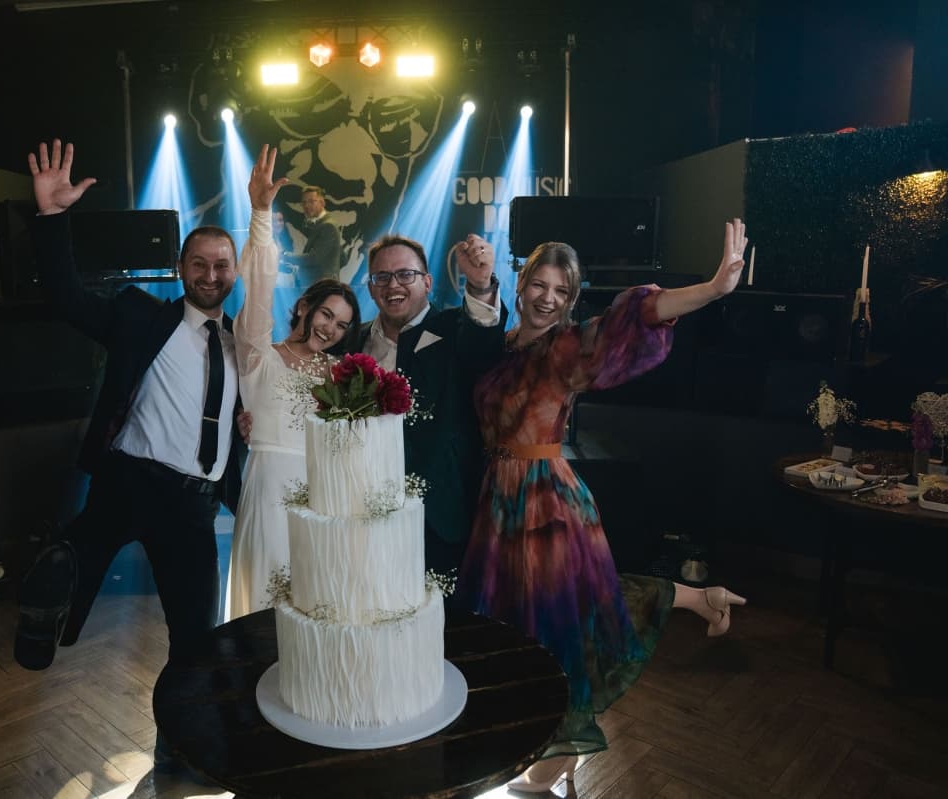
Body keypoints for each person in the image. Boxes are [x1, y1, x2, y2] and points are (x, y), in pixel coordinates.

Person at [461, 221, 751, 793]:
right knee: (554, 610)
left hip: (544, 498)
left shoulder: (566, 348)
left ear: (572, 299)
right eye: (539, 284)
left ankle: (559, 754)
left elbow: (635, 315)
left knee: (558, 626)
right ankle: (700, 598)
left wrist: (713, 289)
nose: (548, 298)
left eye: (561, 291)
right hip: (500, 497)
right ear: (521, 283)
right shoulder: (505, 342)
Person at [15, 139, 244, 671]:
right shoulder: (140, 317)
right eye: (199, 263)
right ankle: (41, 621)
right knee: (69, 564)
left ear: (236, 271)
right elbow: (67, 299)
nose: (210, 275)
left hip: (194, 504)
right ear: (181, 267)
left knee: (196, 639)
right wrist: (51, 218)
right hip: (129, 480)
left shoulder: (245, 345)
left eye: (221, 265)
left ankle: (185, 720)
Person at [227, 145, 361, 619]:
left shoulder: (340, 376)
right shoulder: (259, 354)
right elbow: (259, 290)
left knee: (315, 605)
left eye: (342, 325)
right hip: (267, 488)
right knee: (267, 601)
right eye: (326, 314)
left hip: (321, 500)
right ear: (304, 306)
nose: (330, 329)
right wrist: (261, 215)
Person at [351, 233, 507, 584]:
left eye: (405, 274)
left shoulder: (456, 329)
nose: (394, 285)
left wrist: (480, 285)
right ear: (371, 287)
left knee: (441, 616)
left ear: (427, 282)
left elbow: (484, 344)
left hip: (440, 516)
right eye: (382, 277)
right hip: (362, 509)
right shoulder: (354, 341)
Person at [282, 186, 343, 285]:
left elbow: (314, 258)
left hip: (321, 286)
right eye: (304, 202)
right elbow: (343, 257)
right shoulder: (321, 224)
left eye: (311, 201)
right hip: (320, 284)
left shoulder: (328, 226)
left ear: (322, 203)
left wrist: (287, 256)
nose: (306, 206)